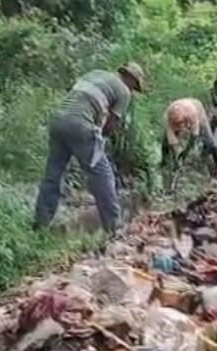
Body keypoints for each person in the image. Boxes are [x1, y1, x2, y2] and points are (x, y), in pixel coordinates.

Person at [33, 63, 146, 234]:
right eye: (134, 86)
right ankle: (114, 228)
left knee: (53, 175)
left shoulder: (96, 73)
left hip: (58, 120)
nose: (133, 90)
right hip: (81, 125)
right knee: (103, 175)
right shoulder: (123, 91)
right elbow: (111, 125)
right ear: (130, 79)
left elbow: (80, 98)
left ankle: (40, 225)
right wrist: (101, 140)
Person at [160, 97, 217, 176]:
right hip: (180, 110)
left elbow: (194, 135)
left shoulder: (192, 113)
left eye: (181, 123)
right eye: (177, 124)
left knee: (209, 140)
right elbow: (172, 142)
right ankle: (164, 164)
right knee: (165, 142)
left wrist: (185, 152)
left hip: (198, 108)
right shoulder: (168, 118)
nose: (181, 127)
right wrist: (176, 160)